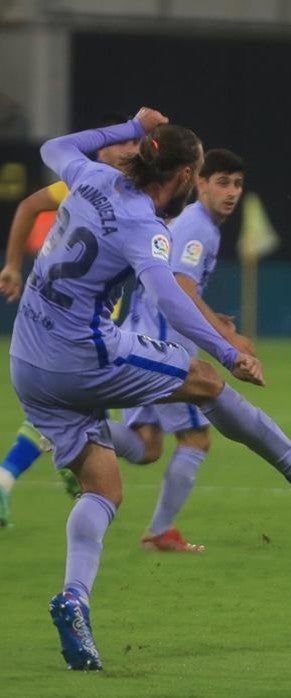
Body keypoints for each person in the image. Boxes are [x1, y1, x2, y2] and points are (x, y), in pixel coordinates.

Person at [12, 108, 291, 671]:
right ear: (178, 177)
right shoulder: (142, 222)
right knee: (205, 381)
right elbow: (171, 298)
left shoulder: (90, 177)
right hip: (82, 356)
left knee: (104, 488)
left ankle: (74, 599)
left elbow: (54, 146)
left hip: (27, 359)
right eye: (195, 176)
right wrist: (228, 349)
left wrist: (126, 124)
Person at [107, 148, 254, 553]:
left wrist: (214, 320)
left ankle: (79, 431)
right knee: (196, 440)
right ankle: (158, 532)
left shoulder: (195, 224)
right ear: (200, 183)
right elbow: (182, 285)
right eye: (222, 182)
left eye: (237, 184)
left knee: (147, 446)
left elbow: (182, 287)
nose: (231, 192)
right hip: (163, 344)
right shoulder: (199, 226)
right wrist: (227, 342)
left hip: (141, 332)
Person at [0, 113, 140, 526]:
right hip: (73, 325)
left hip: (95, 322)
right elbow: (29, 205)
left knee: (83, 409)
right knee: (73, 405)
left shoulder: (131, 192)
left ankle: (68, 463)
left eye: (136, 144)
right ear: (102, 151)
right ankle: (14, 476)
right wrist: (11, 265)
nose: (131, 150)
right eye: (124, 143)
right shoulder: (88, 181)